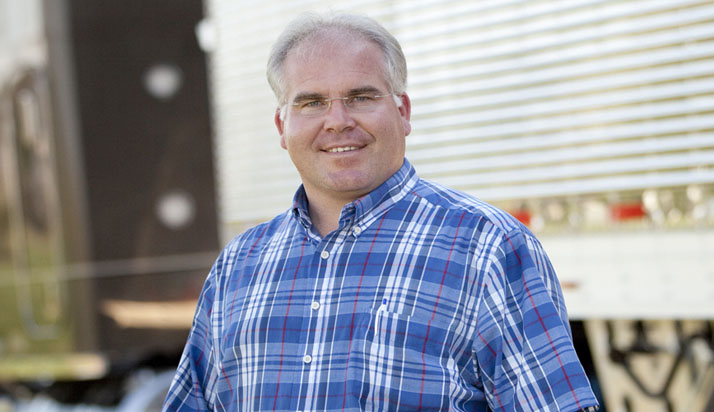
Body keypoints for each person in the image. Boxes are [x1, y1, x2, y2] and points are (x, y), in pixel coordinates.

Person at [163, 11, 599, 412]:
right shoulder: (239, 265)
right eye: (311, 102)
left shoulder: (488, 249)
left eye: (360, 97)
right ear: (282, 126)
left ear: (402, 112)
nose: (337, 121)